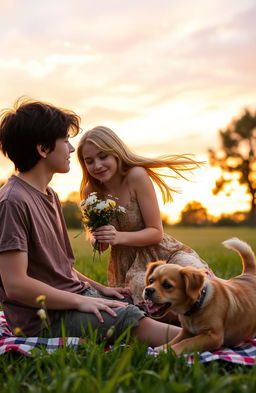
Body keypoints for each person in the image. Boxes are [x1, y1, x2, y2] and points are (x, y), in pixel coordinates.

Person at [0, 97, 180, 347]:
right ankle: (219, 338)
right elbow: (15, 285)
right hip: (45, 319)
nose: (72, 150)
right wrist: (81, 301)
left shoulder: (49, 195)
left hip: (72, 298)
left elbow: (58, 269)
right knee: (131, 317)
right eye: (65, 141)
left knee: (151, 306)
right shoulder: (13, 202)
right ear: (43, 149)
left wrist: (99, 290)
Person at [77, 126, 213, 306]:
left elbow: (156, 232)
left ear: (116, 153)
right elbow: (101, 245)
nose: (97, 165)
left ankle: (231, 314)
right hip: (128, 265)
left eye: (103, 156)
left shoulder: (136, 175)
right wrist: (99, 239)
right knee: (149, 293)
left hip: (162, 252)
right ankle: (184, 328)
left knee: (192, 272)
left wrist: (117, 236)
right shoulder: (91, 191)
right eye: (89, 161)